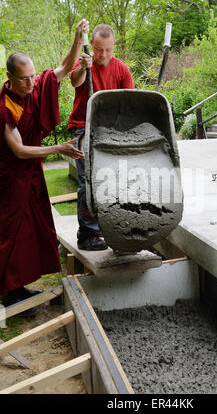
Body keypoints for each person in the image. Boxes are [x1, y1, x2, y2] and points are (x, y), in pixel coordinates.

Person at [0, 19, 89, 316]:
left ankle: (18, 288)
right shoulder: (5, 107)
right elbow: (20, 150)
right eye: (25, 79)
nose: (32, 83)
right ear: (10, 77)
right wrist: (59, 149)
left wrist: (77, 39)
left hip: (29, 177)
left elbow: (62, 70)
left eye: (33, 76)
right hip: (10, 180)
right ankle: (8, 294)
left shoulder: (34, 88)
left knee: (30, 232)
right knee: (9, 235)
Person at [68, 24, 135, 251]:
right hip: (83, 128)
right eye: (98, 49)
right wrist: (83, 68)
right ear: (92, 46)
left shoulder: (122, 70)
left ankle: (111, 228)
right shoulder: (85, 63)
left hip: (109, 131)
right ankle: (87, 233)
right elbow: (75, 81)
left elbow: (129, 104)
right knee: (88, 182)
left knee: (113, 181)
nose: (102, 55)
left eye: (107, 49)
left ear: (114, 46)